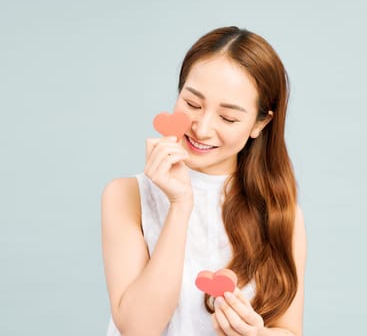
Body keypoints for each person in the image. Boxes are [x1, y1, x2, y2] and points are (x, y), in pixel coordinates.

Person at [101, 26, 307, 336]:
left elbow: (289, 331)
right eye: (192, 104)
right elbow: (138, 329)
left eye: (228, 118)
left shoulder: (279, 212)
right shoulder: (126, 196)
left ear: (260, 123)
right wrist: (180, 205)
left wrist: (256, 334)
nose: (202, 128)